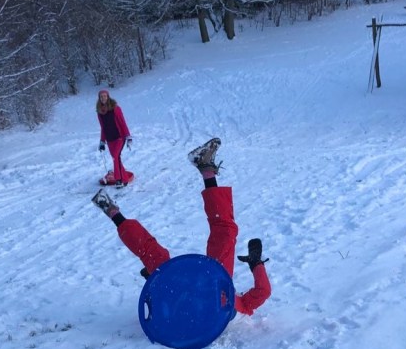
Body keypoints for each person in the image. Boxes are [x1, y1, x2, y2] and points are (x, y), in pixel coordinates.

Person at [91, 137, 271, 331]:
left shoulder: (242, 303)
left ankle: (206, 169)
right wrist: (255, 263)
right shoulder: (242, 304)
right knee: (153, 255)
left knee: (224, 231)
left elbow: (264, 291)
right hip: (195, 291)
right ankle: (114, 214)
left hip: (202, 286)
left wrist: (256, 263)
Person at [96, 89, 133, 187]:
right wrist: (102, 141)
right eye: (101, 96)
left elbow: (122, 123)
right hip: (110, 139)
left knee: (115, 157)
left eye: (105, 96)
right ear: (99, 98)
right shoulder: (100, 112)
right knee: (117, 159)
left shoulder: (116, 108)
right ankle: (124, 179)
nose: (103, 98)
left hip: (119, 137)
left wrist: (128, 137)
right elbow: (103, 127)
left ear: (108, 97)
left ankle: (119, 180)